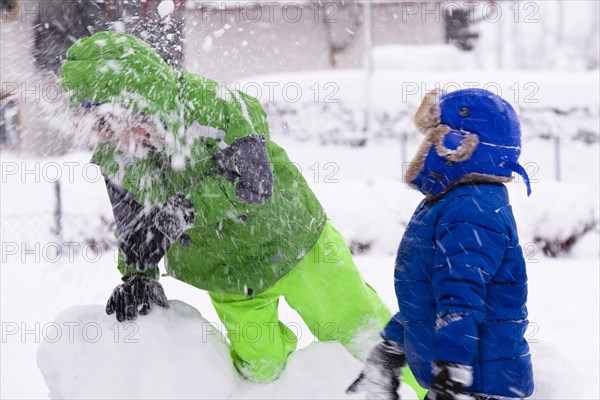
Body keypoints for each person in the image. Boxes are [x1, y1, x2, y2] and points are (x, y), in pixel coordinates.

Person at [60, 30, 403, 386]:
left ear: (136, 98)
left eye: (116, 123)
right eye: (102, 131)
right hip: (227, 274)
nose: (117, 140)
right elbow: (133, 224)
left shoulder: (215, 106)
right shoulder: (117, 157)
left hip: (293, 244)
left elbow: (253, 184)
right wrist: (137, 275)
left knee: (365, 340)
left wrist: (180, 211)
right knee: (262, 372)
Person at [347, 89, 534, 399]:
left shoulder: (472, 210)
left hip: (479, 385)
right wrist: (393, 347)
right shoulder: (453, 202)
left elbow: (461, 297)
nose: (426, 148)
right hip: (468, 379)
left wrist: (452, 368)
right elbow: (431, 295)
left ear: (459, 146)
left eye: (435, 136)